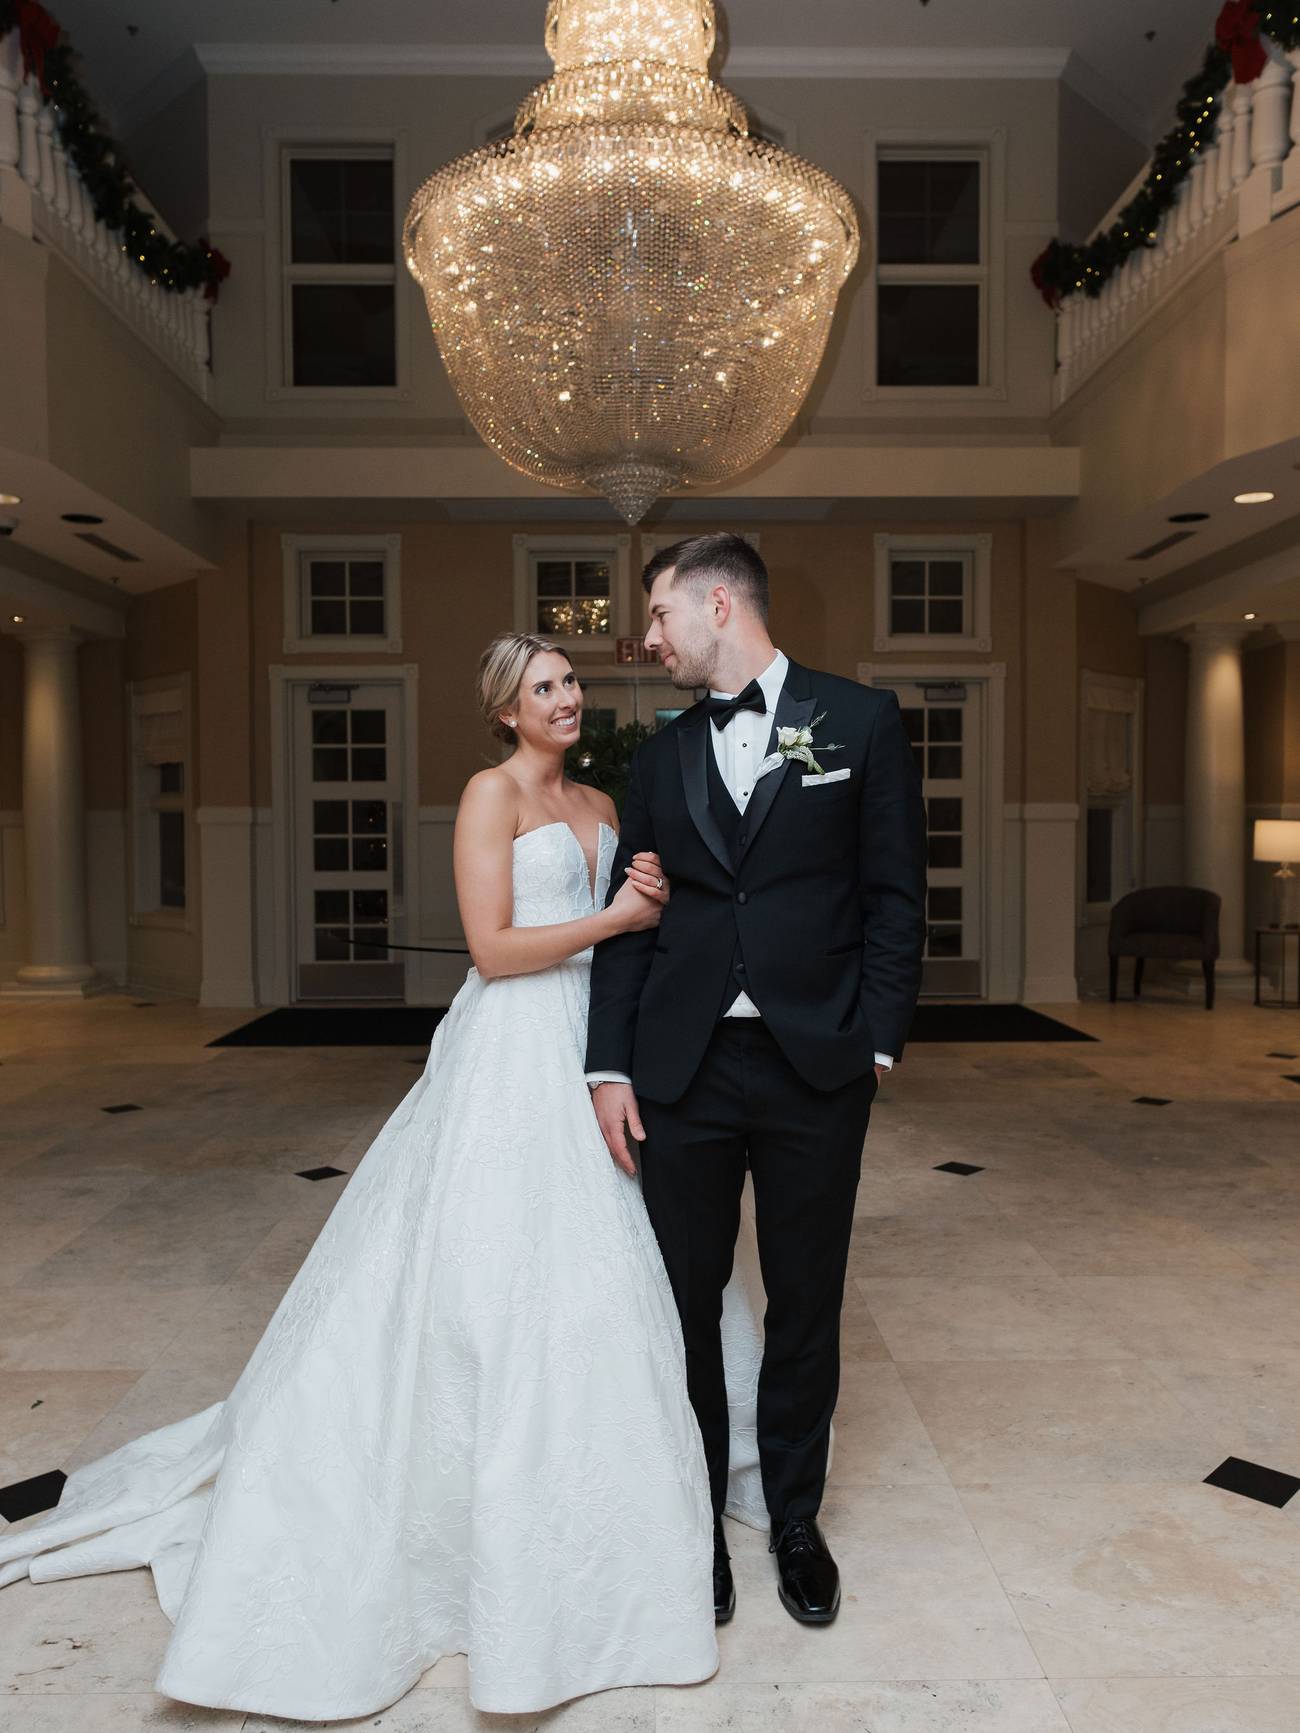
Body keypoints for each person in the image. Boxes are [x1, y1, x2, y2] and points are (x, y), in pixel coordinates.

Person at [0, 632, 761, 1719]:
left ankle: (624, 1512)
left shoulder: (602, 799)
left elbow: (638, 931)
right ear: (504, 710)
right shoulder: (488, 793)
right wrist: (617, 915)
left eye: (571, 681)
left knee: (630, 1270)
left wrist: (652, 891)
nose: (566, 698)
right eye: (542, 687)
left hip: (599, 1040)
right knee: (487, 1274)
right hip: (510, 1044)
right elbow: (493, 948)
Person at [587, 534, 927, 1627]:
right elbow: (631, 924)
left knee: (805, 1300)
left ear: (718, 604)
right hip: (680, 1068)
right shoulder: (658, 756)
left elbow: (895, 894)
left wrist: (874, 1037)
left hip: (813, 1062)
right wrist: (608, 1064)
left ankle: (791, 1515)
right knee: (681, 1302)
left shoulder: (858, 722)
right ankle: (695, 1517)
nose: (647, 639)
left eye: (657, 615)